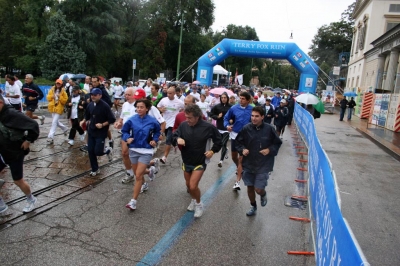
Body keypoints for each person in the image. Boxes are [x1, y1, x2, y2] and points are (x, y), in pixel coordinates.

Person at [172, 104, 222, 218]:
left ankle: (199, 204)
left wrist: (212, 151)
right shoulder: (184, 125)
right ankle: (194, 200)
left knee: (193, 186)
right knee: (189, 186)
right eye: (186, 117)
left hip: (200, 161)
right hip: (186, 159)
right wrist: (178, 139)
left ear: (197, 117)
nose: (187, 120)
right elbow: (174, 136)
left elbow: (219, 141)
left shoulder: (208, 127)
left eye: (189, 117)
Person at [235, 106, 282, 216]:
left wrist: (269, 150)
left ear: (262, 117)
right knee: (250, 187)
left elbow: (277, 143)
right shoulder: (246, 129)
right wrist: (242, 149)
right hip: (249, 163)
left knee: (258, 189)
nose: (254, 118)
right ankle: (253, 206)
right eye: (252, 116)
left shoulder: (269, 129)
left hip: (264, 164)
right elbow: (238, 142)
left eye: (257, 116)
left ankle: (263, 194)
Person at [0, 94, 40, 213]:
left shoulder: (12, 114)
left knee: (17, 180)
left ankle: (31, 199)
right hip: (2, 149)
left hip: (14, 151)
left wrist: (28, 140)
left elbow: (33, 125)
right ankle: (1, 204)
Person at [123, 99, 161, 211]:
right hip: (134, 149)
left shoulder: (153, 121)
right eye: (137, 107)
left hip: (146, 150)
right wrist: (127, 138)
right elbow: (124, 131)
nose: (139, 109)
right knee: (137, 172)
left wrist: (154, 140)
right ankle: (150, 171)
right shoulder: (131, 120)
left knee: (138, 176)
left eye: (141, 107)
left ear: (147, 108)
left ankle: (133, 202)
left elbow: (158, 132)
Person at [79, 88, 116, 176]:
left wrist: (103, 124)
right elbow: (87, 115)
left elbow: (112, 119)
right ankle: (95, 169)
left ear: (100, 95)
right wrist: (83, 121)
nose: (93, 96)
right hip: (91, 130)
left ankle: (107, 150)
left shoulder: (105, 106)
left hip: (101, 132)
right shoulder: (90, 105)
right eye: (92, 95)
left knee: (98, 151)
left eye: (95, 95)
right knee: (90, 151)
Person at [223, 91, 253, 191]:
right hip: (235, 135)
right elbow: (226, 118)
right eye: (240, 98)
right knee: (234, 157)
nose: (241, 100)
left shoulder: (252, 109)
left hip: (246, 137)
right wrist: (227, 126)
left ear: (248, 100)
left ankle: (237, 182)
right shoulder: (234, 108)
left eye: (243, 98)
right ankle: (239, 168)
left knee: (241, 159)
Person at [157, 87, 184, 164]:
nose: (168, 95)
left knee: (168, 139)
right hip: (165, 122)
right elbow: (158, 106)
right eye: (167, 93)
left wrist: (181, 113)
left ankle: (164, 157)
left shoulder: (179, 102)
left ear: (174, 93)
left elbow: (185, 108)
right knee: (169, 137)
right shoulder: (164, 100)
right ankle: (174, 144)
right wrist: (161, 110)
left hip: (173, 123)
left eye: (170, 93)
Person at [209, 92, 232, 168]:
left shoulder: (231, 107)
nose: (223, 99)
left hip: (227, 128)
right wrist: (217, 116)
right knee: (219, 143)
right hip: (219, 128)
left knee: (223, 143)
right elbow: (211, 114)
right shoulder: (217, 107)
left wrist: (232, 120)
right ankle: (226, 150)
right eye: (222, 98)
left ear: (227, 98)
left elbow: (235, 116)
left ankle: (221, 161)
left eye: (225, 97)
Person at [46, 79, 69, 144]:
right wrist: (52, 96)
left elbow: (65, 100)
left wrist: (60, 97)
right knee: (55, 122)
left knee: (54, 122)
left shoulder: (63, 91)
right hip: (52, 107)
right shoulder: (52, 90)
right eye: (57, 83)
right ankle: (65, 129)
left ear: (61, 84)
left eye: (59, 83)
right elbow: (48, 97)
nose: (58, 84)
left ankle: (50, 137)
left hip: (59, 108)